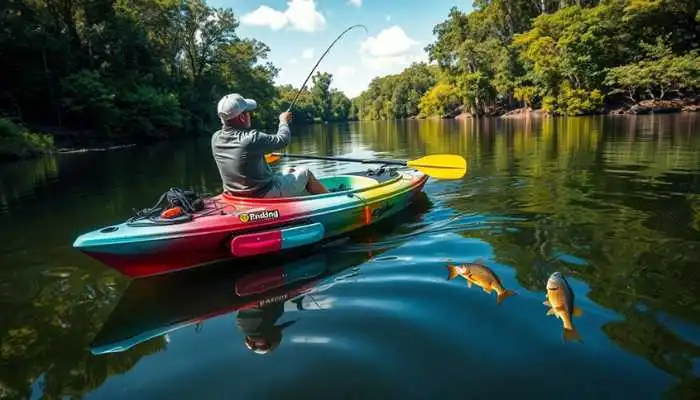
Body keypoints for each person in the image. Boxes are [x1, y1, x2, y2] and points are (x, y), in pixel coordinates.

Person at [211, 93, 328, 198]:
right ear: (242, 117)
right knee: (306, 173)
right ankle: (331, 199)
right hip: (261, 194)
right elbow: (282, 140)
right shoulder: (251, 138)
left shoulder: (215, 138)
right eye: (248, 112)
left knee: (289, 169)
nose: (250, 115)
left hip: (235, 194)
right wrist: (283, 122)